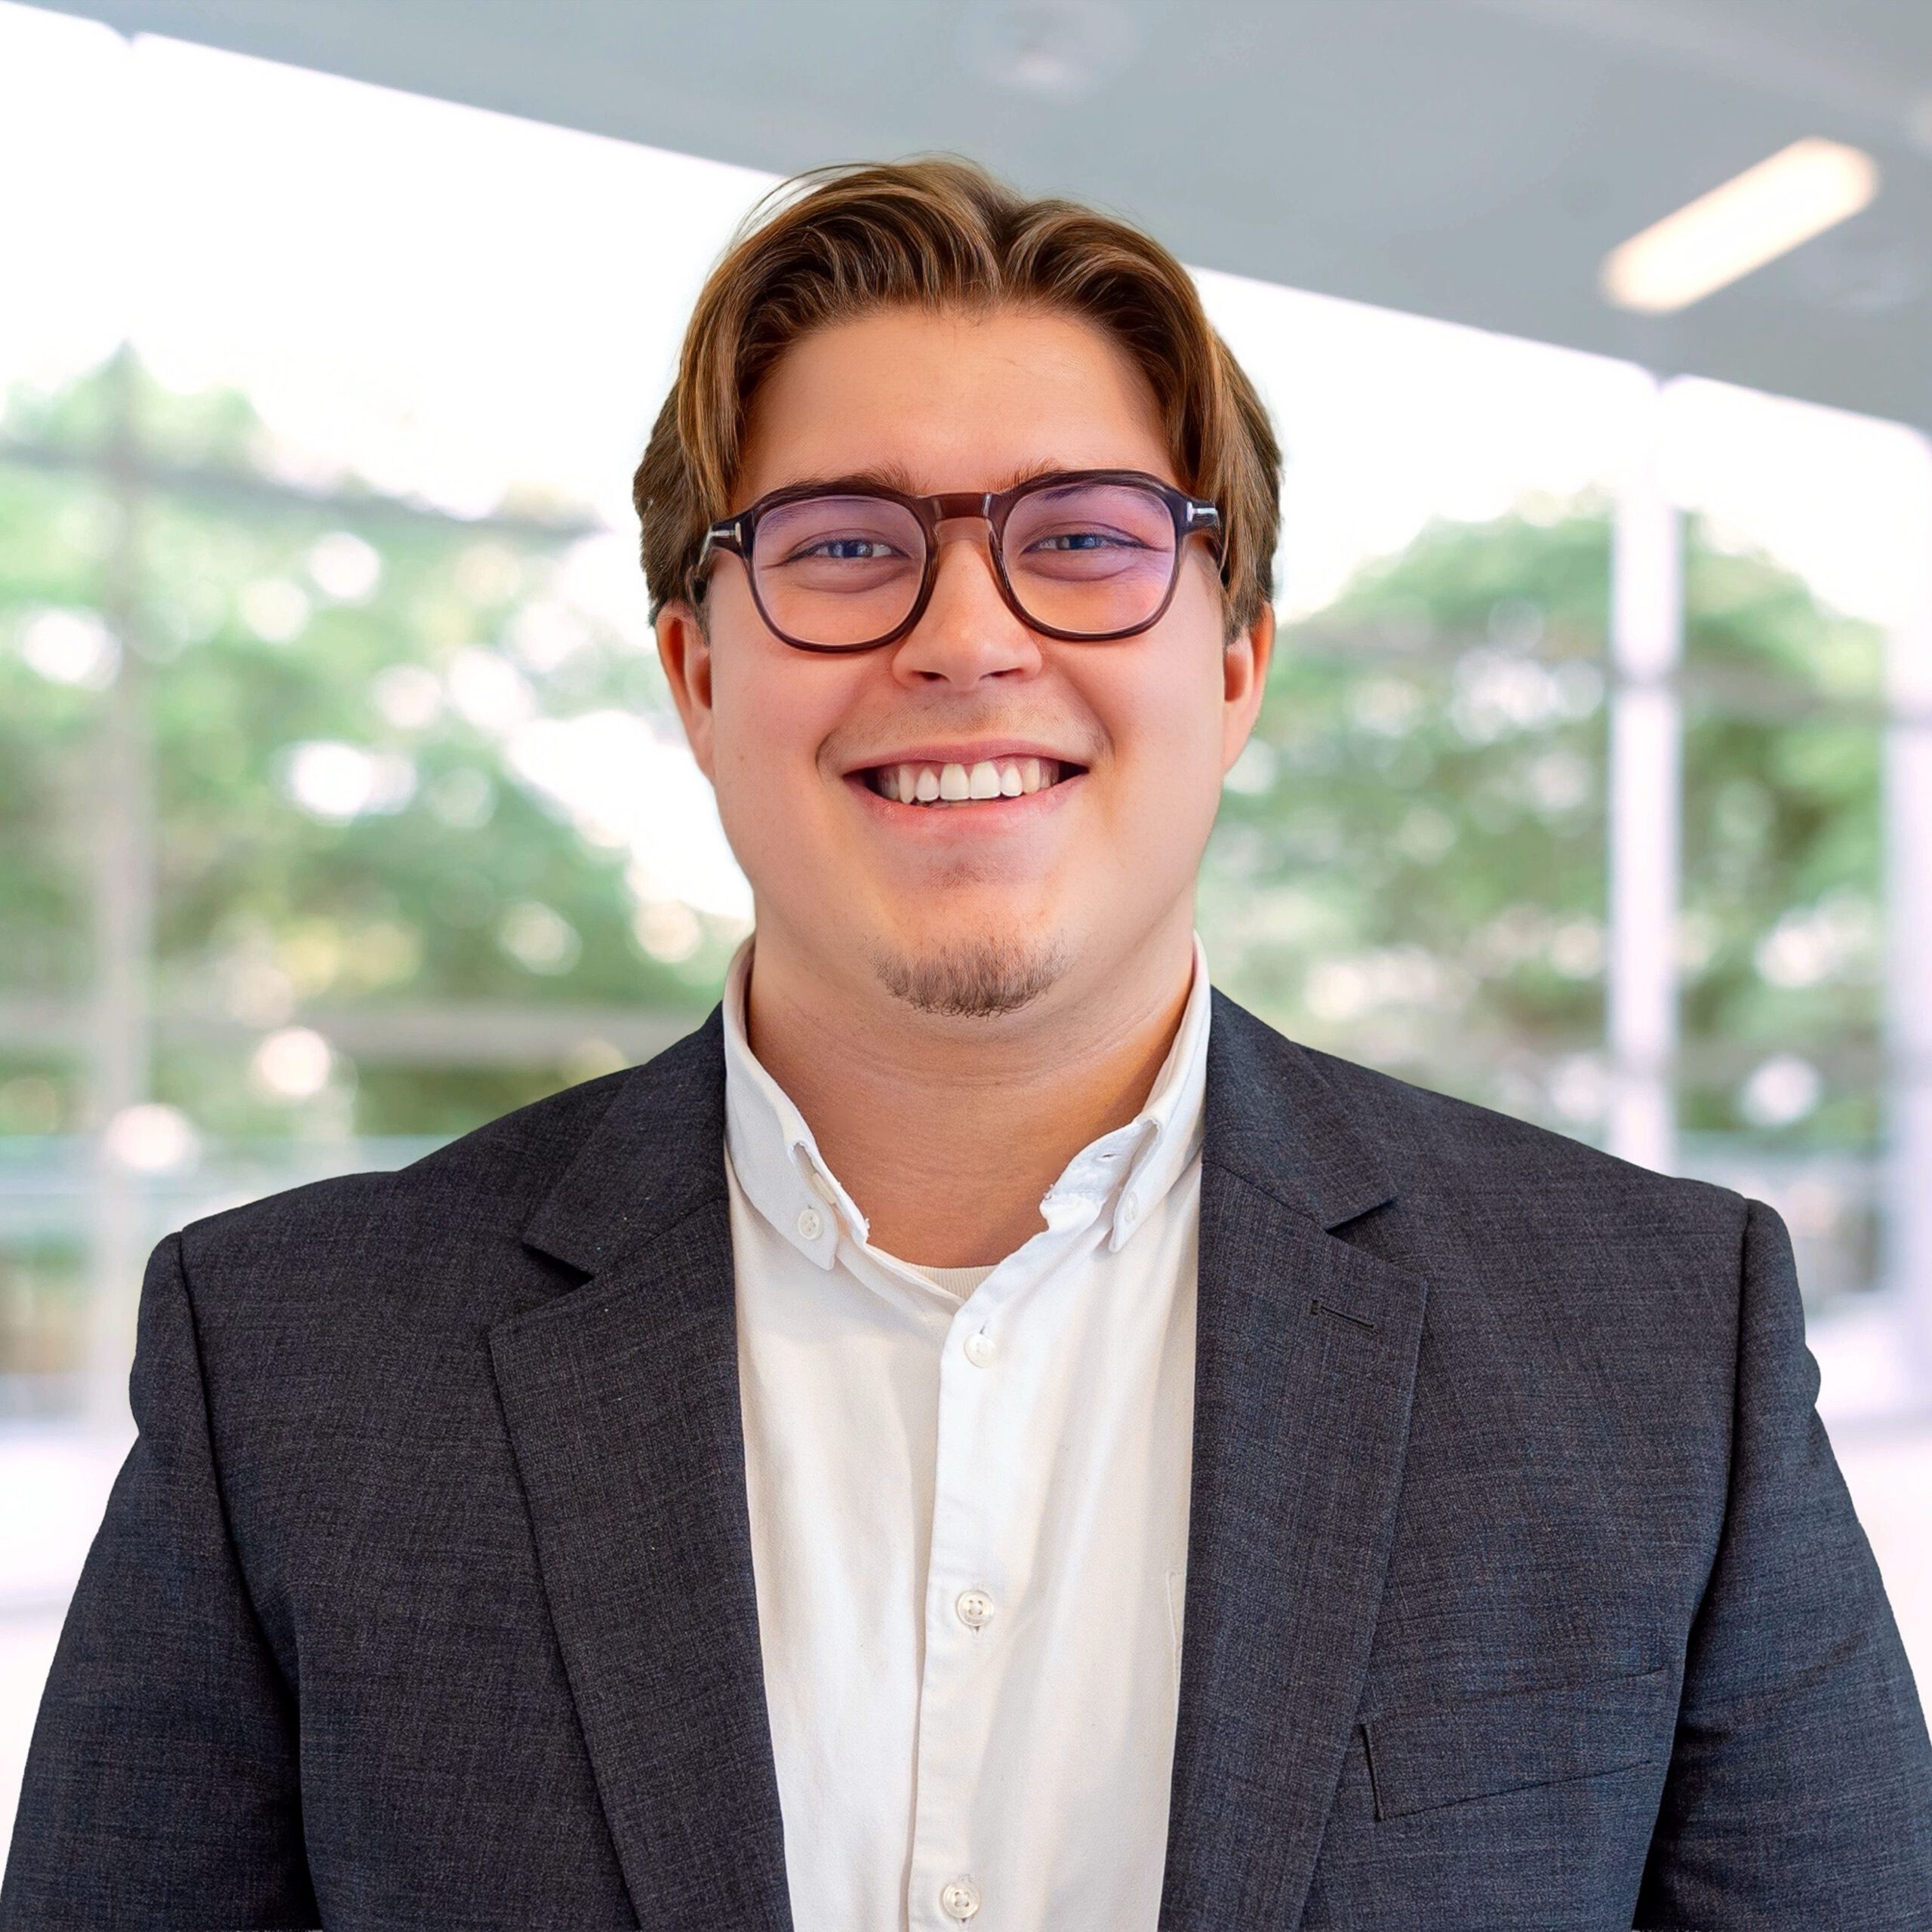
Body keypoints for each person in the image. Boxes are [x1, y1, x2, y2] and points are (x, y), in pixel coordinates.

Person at [5, 156, 1930, 1932]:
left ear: (1233, 663)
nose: (965, 637)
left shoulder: (1660, 1346)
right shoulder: (292, 1364)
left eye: (1080, 537)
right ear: (697, 672)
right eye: (845, 546)